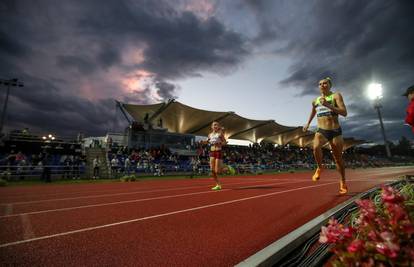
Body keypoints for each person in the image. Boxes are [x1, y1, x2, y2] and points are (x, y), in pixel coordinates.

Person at [303, 77, 348, 194]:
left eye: (325, 83)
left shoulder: (336, 96)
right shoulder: (315, 101)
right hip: (321, 130)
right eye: (320, 84)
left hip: (335, 131)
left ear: (329, 85)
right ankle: (320, 167)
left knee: (338, 159)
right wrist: (307, 123)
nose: (322, 85)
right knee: (315, 147)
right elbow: (313, 111)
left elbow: (344, 112)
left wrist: (328, 105)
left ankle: (343, 181)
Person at [203, 121, 235, 190]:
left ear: (218, 127)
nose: (215, 126)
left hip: (218, 151)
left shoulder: (220, 134)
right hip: (212, 152)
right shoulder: (209, 135)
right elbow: (207, 141)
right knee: (212, 170)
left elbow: (225, 142)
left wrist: (220, 143)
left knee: (217, 171)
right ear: (212, 127)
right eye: (214, 125)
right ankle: (218, 185)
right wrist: (203, 142)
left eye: (216, 125)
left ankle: (228, 167)